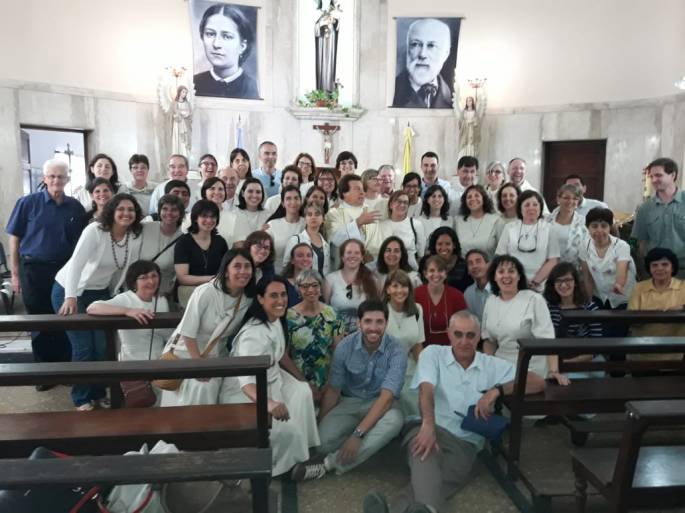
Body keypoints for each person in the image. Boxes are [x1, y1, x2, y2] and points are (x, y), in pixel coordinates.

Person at [362, 311, 545, 513]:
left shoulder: (490, 365)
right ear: (449, 333)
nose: (464, 341)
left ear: (478, 336)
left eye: (470, 335)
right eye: (458, 334)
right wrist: (428, 426)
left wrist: (496, 391)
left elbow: (538, 382)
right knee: (425, 453)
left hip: (464, 442)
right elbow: (426, 391)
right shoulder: (433, 353)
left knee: (430, 481)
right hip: (427, 427)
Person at [292, 300, 407, 480]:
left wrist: (357, 435)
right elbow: (333, 391)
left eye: (379, 322)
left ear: (386, 323)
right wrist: (319, 426)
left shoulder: (397, 350)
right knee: (322, 444)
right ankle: (368, 440)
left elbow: (386, 399)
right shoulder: (345, 347)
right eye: (368, 321)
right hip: (350, 402)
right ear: (359, 323)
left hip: (381, 404)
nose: (373, 328)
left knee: (395, 421)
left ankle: (328, 464)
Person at [51, 193, 144, 410]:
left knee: (103, 347)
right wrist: (70, 296)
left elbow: (125, 270)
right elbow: (76, 264)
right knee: (84, 347)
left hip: (100, 292)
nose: (126, 213)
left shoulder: (133, 236)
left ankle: (99, 392)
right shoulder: (95, 230)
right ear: (112, 211)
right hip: (69, 290)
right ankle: (81, 397)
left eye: (131, 209)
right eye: (121, 209)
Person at [221, 276, 320, 476]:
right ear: (260, 299)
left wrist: (303, 380)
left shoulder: (275, 319)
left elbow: (280, 354)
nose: (280, 300)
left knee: (302, 391)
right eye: (273, 296)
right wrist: (270, 404)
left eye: (283, 295)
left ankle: (302, 450)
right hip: (247, 394)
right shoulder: (252, 335)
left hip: (273, 378)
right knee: (289, 432)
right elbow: (246, 384)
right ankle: (282, 466)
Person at [6, 159, 86, 373]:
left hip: (64, 271)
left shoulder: (75, 207)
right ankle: (44, 372)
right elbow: (14, 239)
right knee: (39, 320)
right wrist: (15, 275)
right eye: (52, 176)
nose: (56, 180)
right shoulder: (27, 203)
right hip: (33, 270)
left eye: (60, 176)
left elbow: (81, 244)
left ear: (67, 179)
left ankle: (64, 367)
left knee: (64, 317)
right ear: (44, 178)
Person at [160, 248, 254, 407]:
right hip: (187, 353)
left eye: (247, 266)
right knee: (203, 386)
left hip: (216, 355)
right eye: (237, 266)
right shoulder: (205, 292)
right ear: (226, 271)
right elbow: (187, 332)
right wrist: (199, 366)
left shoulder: (247, 299)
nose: (243, 271)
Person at [481, 255, 568, 384]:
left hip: (531, 368)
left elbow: (548, 340)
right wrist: (488, 367)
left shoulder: (534, 299)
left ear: (519, 276)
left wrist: (553, 371)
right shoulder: (491, 301)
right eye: (501, 272)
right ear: (494, 277)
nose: (506, 276)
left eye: (511, 271)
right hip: (501, 366)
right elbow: (489, 341)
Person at [87, 260, 172, 362]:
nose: (151, 281)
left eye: (154, 276)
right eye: (144, 277)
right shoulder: (126, 299)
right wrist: (127, 311)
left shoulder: (162, 300)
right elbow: (92, 308)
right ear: (134, 282)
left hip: (161, 361)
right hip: (131, 363)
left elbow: (167, 335)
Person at [287, 269, 344, 401]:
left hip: (328, 379)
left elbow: (338, 352)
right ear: (298, 289)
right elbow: (284, 355)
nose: (311, 290)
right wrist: (304, 384)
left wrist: (330, 382)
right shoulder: (288, 317)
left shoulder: (334, 314)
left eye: (315, 285)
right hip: (297, 380)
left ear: (320, 287)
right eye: (305, 286)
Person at [579, 207, 636, 335]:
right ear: (587, 227)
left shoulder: (622, 246)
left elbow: (622, 270)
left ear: (610, 227)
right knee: (599, 334)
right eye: (594, 226)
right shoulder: (584, 246)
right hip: (599, 297)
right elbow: (587, 277)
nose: (599, 230)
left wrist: (618, 285)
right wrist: (589, 303)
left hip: (622, 299)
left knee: (618, 336)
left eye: (604, 226)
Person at [543, 262, 603, 379]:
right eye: (558, 281)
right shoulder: (549, 308)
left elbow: (596, 348)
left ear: (575, 282)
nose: (563, 285)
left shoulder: (590, 308)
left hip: (585, 362)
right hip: (555, 361)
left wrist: (566, 363)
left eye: (568, 280)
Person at [628, 248, 685, 363]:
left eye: (665, 264)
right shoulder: (638, 288)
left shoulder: (683, 287)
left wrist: (683, 308)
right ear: (649, 268)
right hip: (642, 353)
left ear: (672, 267)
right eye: (654, 265)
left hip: (676, 355)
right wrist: (662, 314)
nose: (659, 268)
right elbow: (632, 320)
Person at [495, 190, 560, 290]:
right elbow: (500, 256)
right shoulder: (509, 227)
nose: (531, 208)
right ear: (520, 208)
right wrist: (515, 279)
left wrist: (535, 282)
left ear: (540, 207)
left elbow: (553, 260)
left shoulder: (549, 229)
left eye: (535, 204)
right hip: (512, 282)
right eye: (527, 205)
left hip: (539, 284)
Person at [631, 158, 685, 278]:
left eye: (659, 175)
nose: (654, 180)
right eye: (651, 176)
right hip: (655, 273)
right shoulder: (644, 208)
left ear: (673, 175)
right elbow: (637, 241)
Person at [193, 4, 260, 99]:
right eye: (210, 34)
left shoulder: (254, 88)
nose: (216, 44)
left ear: (242, 46)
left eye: (227, 37)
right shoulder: (193, 84)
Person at [382, 270, 425, 417]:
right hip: (384, 370)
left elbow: (417, 345)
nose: (400, 291)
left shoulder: (417, 310)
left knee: (417, 403)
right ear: (387, 289)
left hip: (409, 369)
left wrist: (424, 372)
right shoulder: (380, 310)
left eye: (404, 286)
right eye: (395, 286)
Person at [174, 199, 228, 307]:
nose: (209, 220)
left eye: (213, 216)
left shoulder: (220, 241)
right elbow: (182, 278)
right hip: (189, 296)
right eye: (204, 216)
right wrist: (212, 279)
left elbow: (226, 270)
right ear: (195, 218)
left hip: (215, 295)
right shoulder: (183, 242)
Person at [392, 18, 453, 109]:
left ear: (446, 54)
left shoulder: (454, 97)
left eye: (431, 45)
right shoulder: (392, 91)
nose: (422, 54)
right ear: (408, 48)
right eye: (415, 44)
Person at [324, 239, 379, 335]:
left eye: (357, 253)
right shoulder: (330, 280)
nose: (353, 256)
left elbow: (377, 311)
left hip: (364, 336)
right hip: (336, 336)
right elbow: (324, 311)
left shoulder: (373, 280)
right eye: (349, 252)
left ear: (362, 257)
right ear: (342, 257)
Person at [325, 174, 381, 261]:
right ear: (344, 193)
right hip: (342, 263)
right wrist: (358, 223)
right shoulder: (333, 213)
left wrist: (371, 256)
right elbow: (334, 240)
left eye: (362, 189)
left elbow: (376, 241)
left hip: (370, 264)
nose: (362, 193)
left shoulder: (370, 211)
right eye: (357, 189)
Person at [138, 194, 185, 298]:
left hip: (162, 292)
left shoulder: (184, 238)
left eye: (174, 210)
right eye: (165, 209)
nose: (169, 213)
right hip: (138, 288)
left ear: (181, 213)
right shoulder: (145, 228)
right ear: (159, 211)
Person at [365, 190, 426, 270]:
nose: (402, 205)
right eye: (399, 201)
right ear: (391, 205)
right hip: (384, 269)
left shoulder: (416, 224)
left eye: (405, 202)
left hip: (408, 269)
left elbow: (421, 254)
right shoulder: (381, 226)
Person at [415, 255, 467, 347]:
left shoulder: (457, 296)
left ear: (446, 273)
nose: (436, 274)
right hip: (422, 349)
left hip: (451, 348)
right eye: (432, 271)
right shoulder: (415, 294)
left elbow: (463, 327)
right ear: (425, 273)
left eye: (440, 270)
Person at [283, 202, 330, 277]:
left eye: (317, 214)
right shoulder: (296, 240)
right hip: (301, 282)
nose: (313, 217)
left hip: (322, 282)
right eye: (309, 214)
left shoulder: (326, 243)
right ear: (305, 219)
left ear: (323, 219)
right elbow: (286, 264)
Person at [545, 183, 587, 268]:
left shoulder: (583, 222)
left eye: (575, 198)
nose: (570, 201)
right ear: (558, 199)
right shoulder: (546, 220)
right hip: (547, 269)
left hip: (573, 270)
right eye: (566, 198)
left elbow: (586, 252)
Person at [265, 185, 304, 274]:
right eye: (288, 199)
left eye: (296, 198)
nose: (293, 202)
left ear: (301, 201)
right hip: (277, 274)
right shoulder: (272, 225)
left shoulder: (307, 223)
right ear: (283, 203)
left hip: (302, 275)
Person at [455, 184, 500, 257]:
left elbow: (502, 250)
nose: (473, 199)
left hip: (490, 263)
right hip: (464, 263)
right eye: (469, 197)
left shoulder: (496, 220)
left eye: (477, 195)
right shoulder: (458, 221)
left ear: (484, 199)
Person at [422, 226, 472, 291]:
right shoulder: (426, 262)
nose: (444, 248)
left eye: (448, 244)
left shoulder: (464, 265)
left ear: (454, 245)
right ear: (434, 245)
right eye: (439, 244)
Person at [227, 177, 271, 243]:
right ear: (242, 193)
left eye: (258, 192)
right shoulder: (232, 215)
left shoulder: (269, 215)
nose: (254, 195)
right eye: (250, 191)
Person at [419, 184, 452, 251]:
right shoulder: (420, 221)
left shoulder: (450, 220)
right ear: (427, 200)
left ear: (444, 199)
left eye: (440, 196)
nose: (436, 199)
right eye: (433, 196)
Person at [463, 249, 492, 322]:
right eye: (470, 263)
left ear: (488, 265)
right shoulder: (468, 293)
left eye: (478, 261)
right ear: (468, 271)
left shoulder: (500, 289)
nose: (474, 266)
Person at [171, 86, 192, 156]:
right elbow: (174, 113)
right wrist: (178, 114)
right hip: (177, 124)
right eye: (183, 92)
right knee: (178, 140)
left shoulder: (187, 103)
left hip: (185, 124)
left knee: (184, 141)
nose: (184, 94)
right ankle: (177, 154)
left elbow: (189, 113)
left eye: (186, 92)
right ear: (179, 92)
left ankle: (184, 155)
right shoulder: (175, 103)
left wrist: (184, 113)